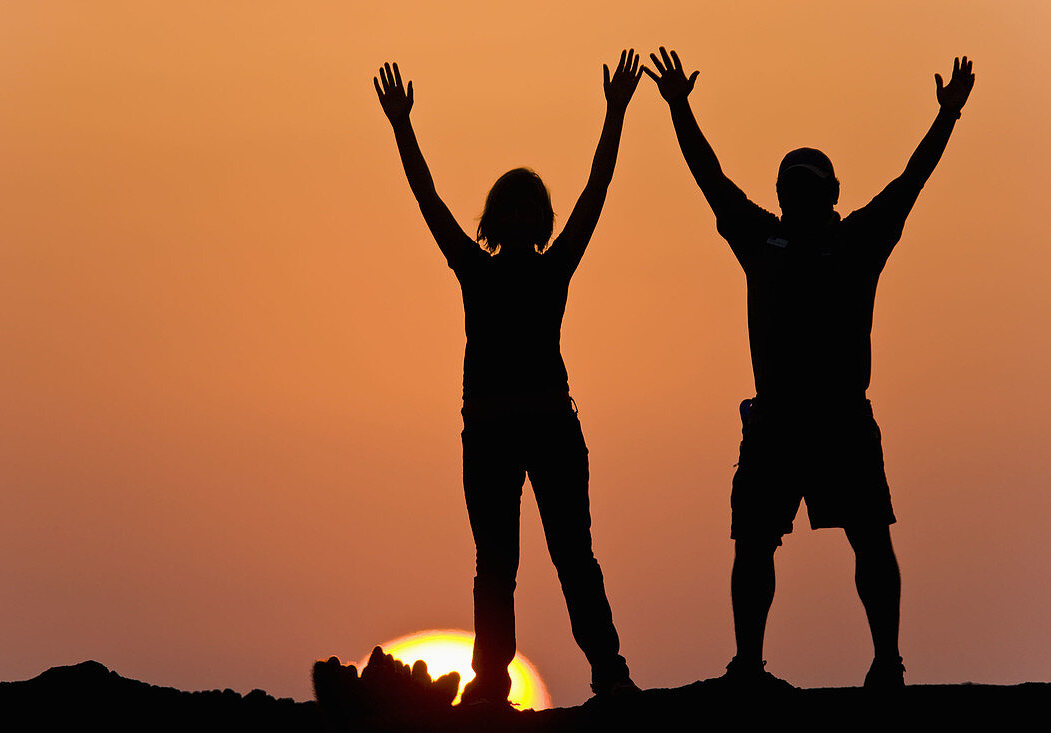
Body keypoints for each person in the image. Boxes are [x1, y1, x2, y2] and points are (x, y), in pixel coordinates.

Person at [645, 48, 975, 689]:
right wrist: (680, 109)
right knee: (755, 543)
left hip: (841, 419)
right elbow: (709, 178)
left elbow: (912, 181)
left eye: (808, 184)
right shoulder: (762, 238)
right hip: (777, 420)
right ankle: (749, 664)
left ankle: (886, 661)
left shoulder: (856, 240)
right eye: (790, 185)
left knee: (869, 538)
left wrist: (948, 118)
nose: (797, 193)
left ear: (829, 195)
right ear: (782, 194)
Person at [373, 51, 645, 705]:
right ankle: (490, 681)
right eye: (511, 209)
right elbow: (427, 199)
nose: (523, 217)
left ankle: (609, 671)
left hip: (551, 424)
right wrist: (401, 125)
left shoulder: (555, 268)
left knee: (573, 556)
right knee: (496, 564)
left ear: (542, 221)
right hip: (490, 430)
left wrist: (615, 114)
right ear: (494, 222)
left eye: (532, 209)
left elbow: (595, 193)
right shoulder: (475, 268)